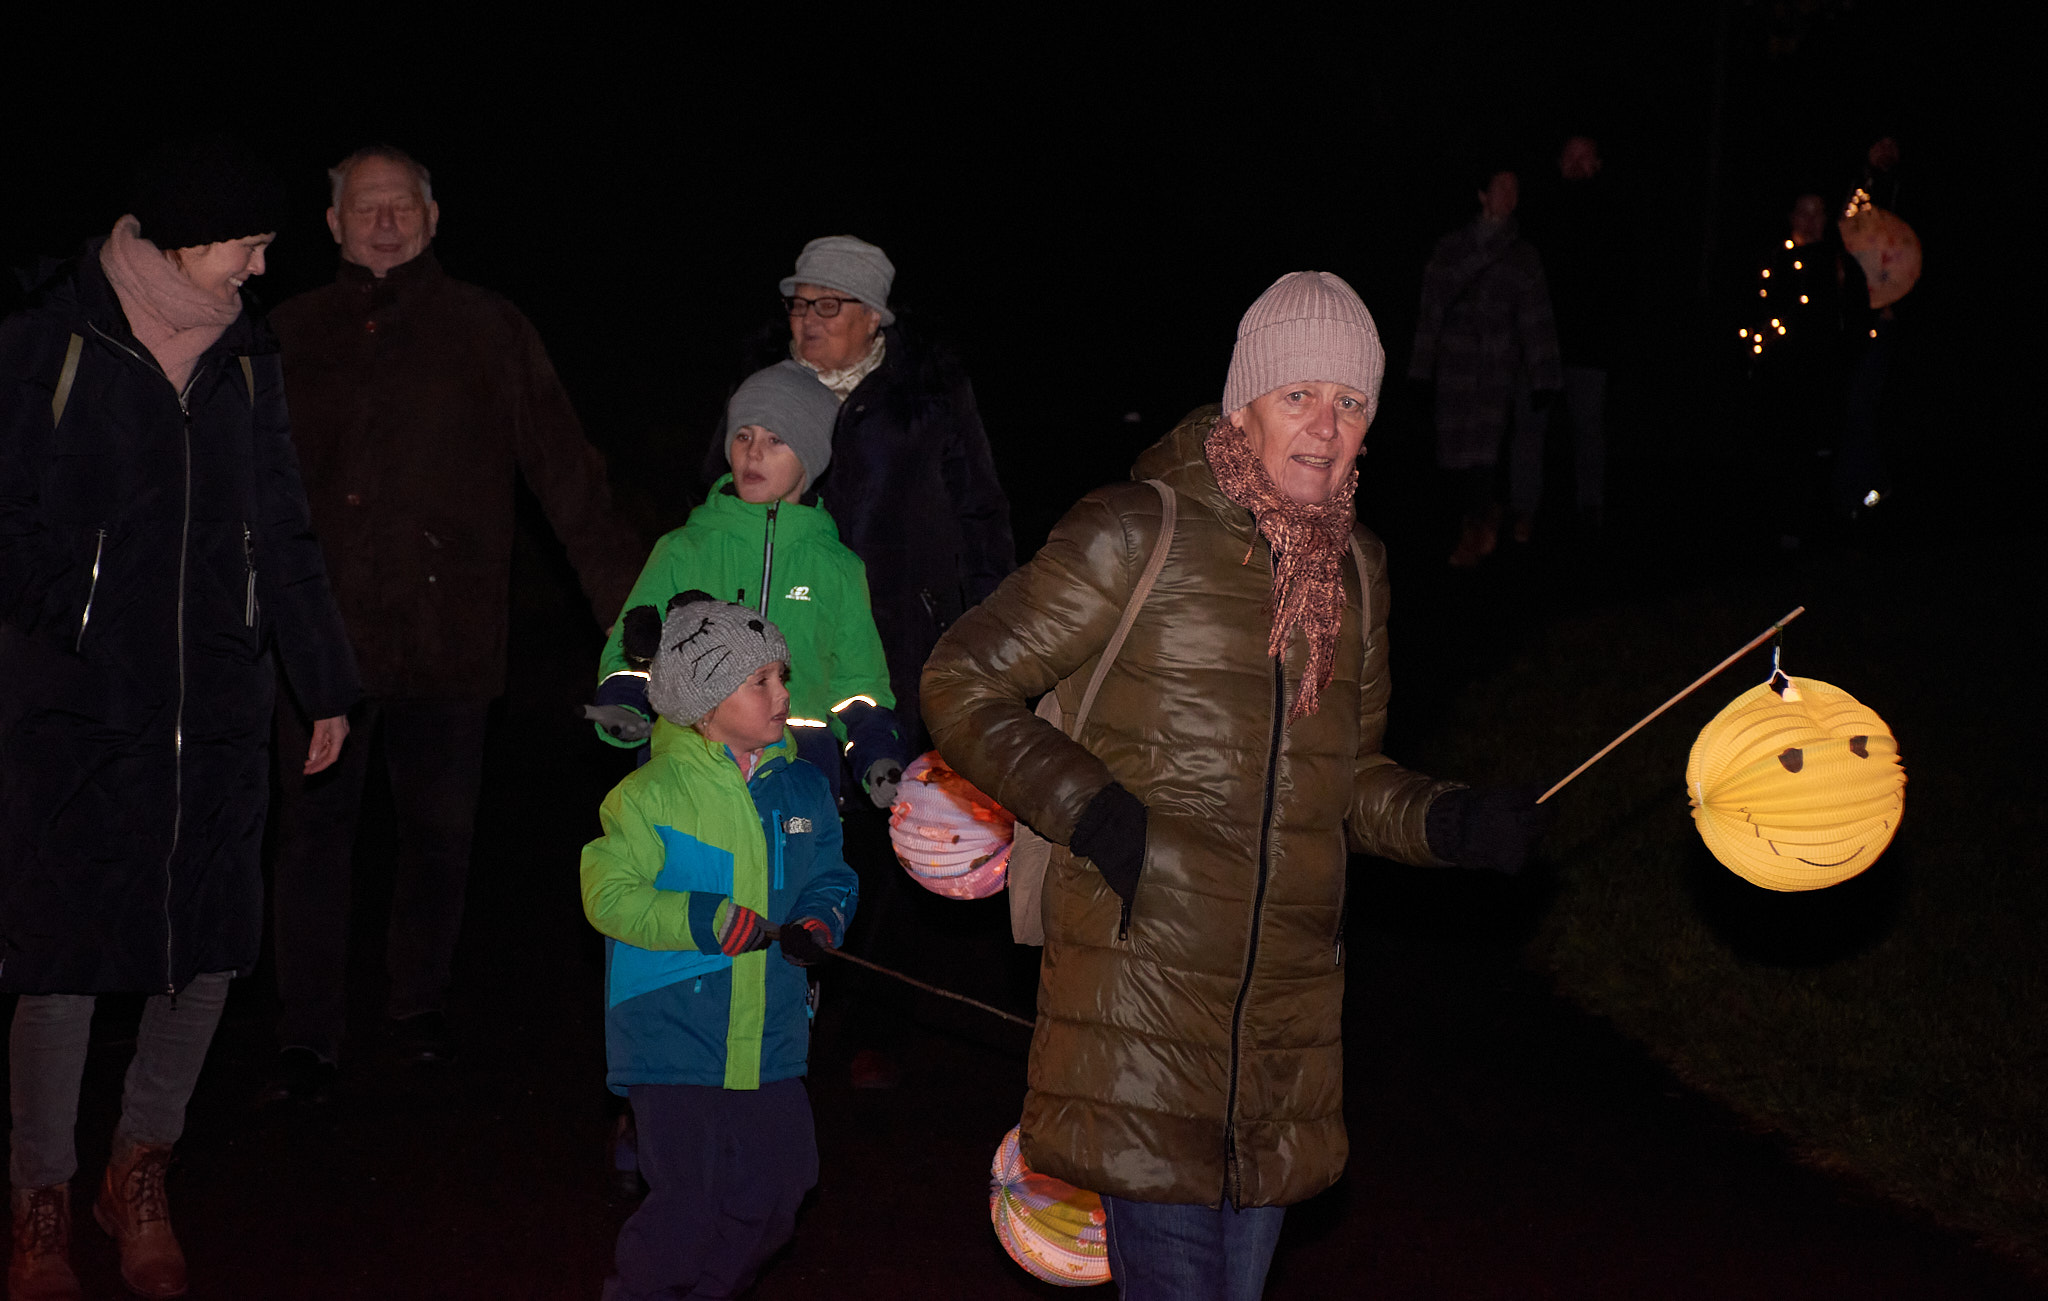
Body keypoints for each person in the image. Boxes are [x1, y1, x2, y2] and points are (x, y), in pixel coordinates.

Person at [922, 272, 1551, 1300]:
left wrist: (1451, 820)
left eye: (1350, 402)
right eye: (1298, 394)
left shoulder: (1355, 572)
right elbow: (961, 678)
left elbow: (1348, 780)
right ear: (1243, 402)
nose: (1325, 425)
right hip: (1142, 997)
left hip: (1283, 1031)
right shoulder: (1134, 530)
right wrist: (1094, 810)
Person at [1, 137, 360, 1300]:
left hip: (217, 697)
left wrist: (322, 676)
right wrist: (73, 612)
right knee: (62, 957)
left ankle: (139, 1167)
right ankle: (39, 1195)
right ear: (185, 237)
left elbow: (283, 522)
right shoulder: (52, 337)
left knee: (206, 947)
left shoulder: (245, 355)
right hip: (78, 701)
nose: (258, 268)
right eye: (247, 246)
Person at [259, 145, 642, 1101]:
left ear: (433, 219)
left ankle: (417, 1005)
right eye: (366, 207)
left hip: (449, 635)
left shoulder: (488, 327)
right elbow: (235, 489)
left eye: (402, 206)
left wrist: (634, 625)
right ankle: (306, 1033)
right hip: (317, 645)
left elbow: (568, 475)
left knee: (438, 835)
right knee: (312, 838)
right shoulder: (286, 333)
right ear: (334, 224)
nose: (385, 222)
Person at [706, 235, 1015, 1088]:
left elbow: (980, 512)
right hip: (781, 650)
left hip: (897, 648)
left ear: (874, 316)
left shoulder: (927, 395)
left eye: (828, 305)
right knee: (775, 822)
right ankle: (766, 1009)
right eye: (799, 303)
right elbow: (712, 504)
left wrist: (991, 637)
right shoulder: (767, 393)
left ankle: (871, 1021)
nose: (807, 320)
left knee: (881, 833)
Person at [581, 596, 858, 1300]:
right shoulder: (648, 795)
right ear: (704, 704)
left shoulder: (804, 787)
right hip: (676, 1034)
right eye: (759, 681)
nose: (783, 693)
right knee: (688, 1206)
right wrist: (701, 918)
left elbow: (831, 873)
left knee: (781, 1188)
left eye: (781, 676)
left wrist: (822, 918)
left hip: (770, 1034)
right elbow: (608, 894)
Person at [590, 361, 910, 807]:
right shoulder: (684, 549)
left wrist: (875, 752)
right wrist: (624, 701)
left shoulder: (837, 568)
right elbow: (636, 642)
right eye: (743, 436)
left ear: (810, 457)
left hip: (797, 779)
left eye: (775, 440)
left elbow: (858, 681)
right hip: (687, 772)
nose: (753, 453)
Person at [1410, 167, 1562, 564]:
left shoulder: (1523, 255)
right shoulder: (1451, 248)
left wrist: (1544, 376)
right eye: (1501, 187)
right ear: (1482, 194)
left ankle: (1477, 531)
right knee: (1452, 452)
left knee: (1486, 452)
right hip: (1454, 365)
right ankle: (1462, 525)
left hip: (1498, 368)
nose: (1509, 196)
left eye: (1515, 189)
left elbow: (1536, 317)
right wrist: (1421, 370)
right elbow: (1431, 309)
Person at [1745, 194, 1873, 548]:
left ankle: (1809, 528)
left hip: (1819, 377)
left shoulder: (1838, 263)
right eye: (1804, 213)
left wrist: (1842, 361)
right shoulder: (1774, 259)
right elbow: (1756, 309)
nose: (1811, 221)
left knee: (1814, 454)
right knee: (1774, 451)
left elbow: (1858, 319)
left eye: (1818, 214)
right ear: (1792, 217)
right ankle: (1771, 524)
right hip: (1775, 376)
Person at [1525, 136, 1619, 531]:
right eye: (1571, 156)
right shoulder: (1539, 211)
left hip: (1589, 344)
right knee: (1530, 431)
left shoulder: (1611, 213)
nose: (1578, 163)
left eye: (1585, 157)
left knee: (1588, 430)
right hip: (1538, 342)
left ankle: (1590, 509)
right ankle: (1525, 510)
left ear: (1597, 163)